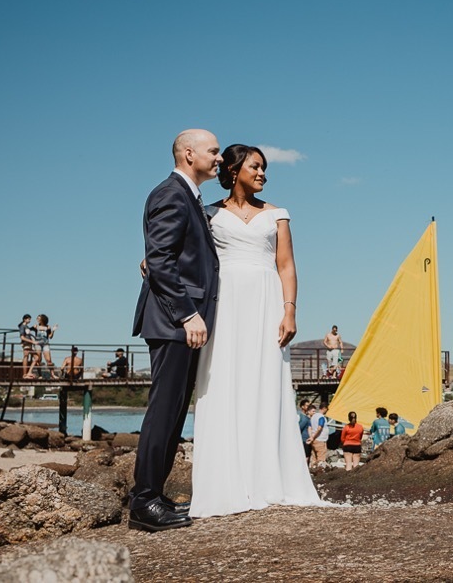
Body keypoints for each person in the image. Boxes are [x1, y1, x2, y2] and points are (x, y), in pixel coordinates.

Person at [189, 143, 328, 518]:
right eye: (256, 166)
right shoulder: (207, 214)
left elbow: (286, 266)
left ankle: (269, 478)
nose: (264, 173)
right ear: (234, 170)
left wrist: (290, 311)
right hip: (226, 304)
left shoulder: (278, 215)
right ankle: (225, 482)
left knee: (267, 384)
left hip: (268, 304)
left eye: (265, 167)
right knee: (222, 382)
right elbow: (186, 250)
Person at [129, 129, 223, 532]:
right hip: (173, 322)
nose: (218, 159)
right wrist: (187, 315)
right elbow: (161, 260)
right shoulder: (171, 193)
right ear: (189, 154)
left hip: (179, 321)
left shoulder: (191, 197)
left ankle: (156, 495)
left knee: (172, 413)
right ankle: (143, 501)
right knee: (163, 412)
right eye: (213, 152)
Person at [306, 404, 329, 468]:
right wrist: (313, 437)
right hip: (320, 439)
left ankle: (313, 470)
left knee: (314, 458)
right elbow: (319, 428)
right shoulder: (321, 417)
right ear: (324, 408)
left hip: (314, 440)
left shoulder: (313, 417)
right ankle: (320, 472)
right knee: (321, 458)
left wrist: (311, 437)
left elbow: (309, 428)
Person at [19, 314, 39, 379]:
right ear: (25, 319)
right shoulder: (22, 326)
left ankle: (29, 372)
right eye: (29, 319)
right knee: (26, 357)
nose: (29, 320)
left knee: (36, 358)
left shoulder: (26, 326)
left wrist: (33, 328)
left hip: (29, 344)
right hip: (26, 344)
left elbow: (27, 332)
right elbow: (22, 337)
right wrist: (32, 341)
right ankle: (25, 374)